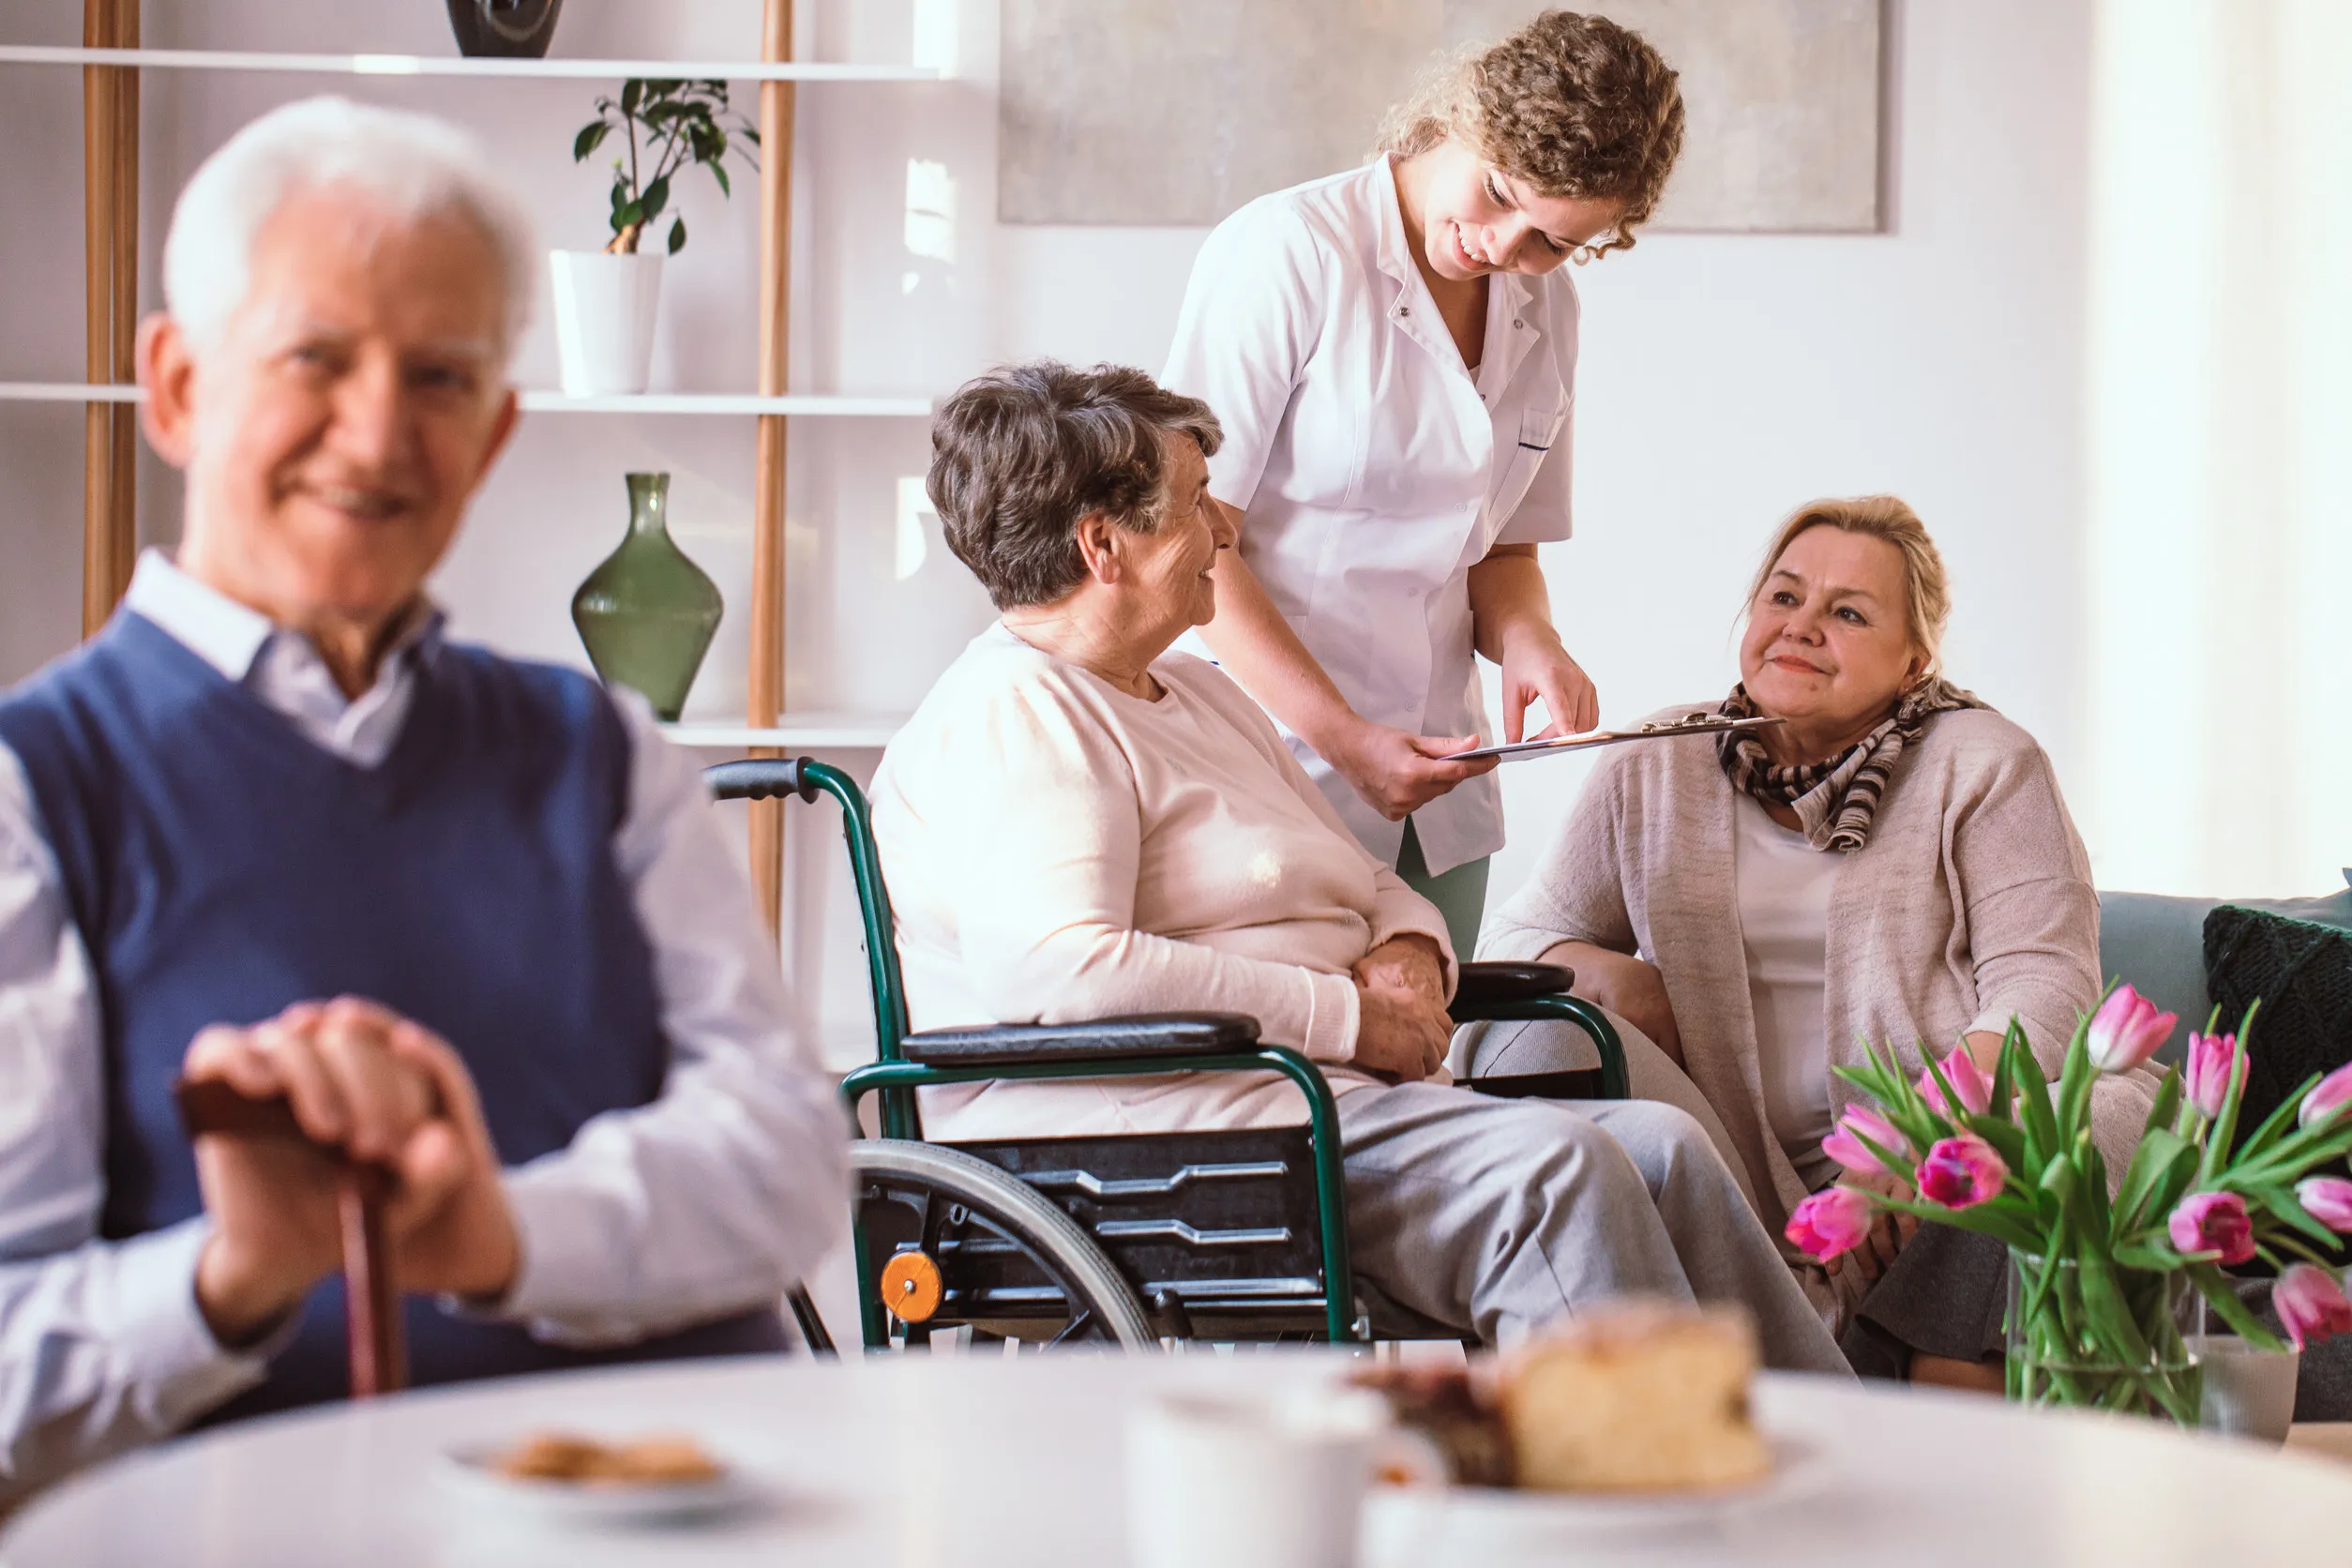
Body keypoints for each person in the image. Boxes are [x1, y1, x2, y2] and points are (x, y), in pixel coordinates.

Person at [0, 98, 845, 1501]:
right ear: (177, 386)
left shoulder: (605, 751)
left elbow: (794, 1167)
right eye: (314, 360)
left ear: (498, 429)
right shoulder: (37, 789)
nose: (379, 432)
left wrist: (494, 1237)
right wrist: (230, 1280)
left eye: (441, 379)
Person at [868, 361, 1849, 1373]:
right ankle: (1641, 1520)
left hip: (1306, 1104)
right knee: (1557, 1172)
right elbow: (1062, 971)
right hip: (1155, 1145)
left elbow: (1371, 882)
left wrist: (1412, 958)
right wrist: (1344, 1018)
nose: (1227, 532)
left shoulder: (1198, 696)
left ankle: (1841, 1485)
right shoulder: (1016, 715)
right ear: (1103, 545)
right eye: (1199, 504)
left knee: (1665, 1150)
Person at [1463, 495, 2150, 1385]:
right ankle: (1648, 1368)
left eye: (1849, 613)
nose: (1803, 627)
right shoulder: (1657, 760)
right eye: (1783, 598)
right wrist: (1608, 979)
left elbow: (2050, 992)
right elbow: (1517, 940)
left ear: (1914, 664)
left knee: (2090, 1117)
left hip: (1936, 1181)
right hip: (1737, 1191)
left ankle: (1936, 1381)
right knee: (1536, 1024)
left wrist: (1916, 1134)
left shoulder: (1985, 762)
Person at [1159, 10, 1684, 957]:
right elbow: (1191, 543)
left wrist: (1531, 642)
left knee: (1426, 1074)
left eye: (1552, 241)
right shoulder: (1291, 252)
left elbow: (1504, 547)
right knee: (1301, 1075)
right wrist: (1344, 736)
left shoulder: (1546, 305)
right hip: (1271, 760)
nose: (1504, 246)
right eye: (1498, 196)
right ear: (1463, 117)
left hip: (1440, 780)